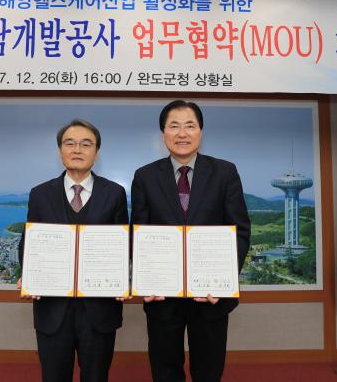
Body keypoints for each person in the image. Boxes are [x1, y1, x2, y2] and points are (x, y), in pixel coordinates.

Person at [130, 100, 251, 382]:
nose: (182, 133)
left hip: (210, 296)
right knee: (164, 370)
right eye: (174, 126)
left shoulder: (225, 172)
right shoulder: (145, 176)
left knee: (208, 371)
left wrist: (224, 281)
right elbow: (139, 232)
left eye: (189, 126)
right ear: (163, 133)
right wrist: (146, 281)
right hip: (162, 297)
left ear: (200, 131)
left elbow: (240, 230)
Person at [18, 119, 129, 382]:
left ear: (96, 152)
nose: (77, 149)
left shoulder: (114, 193)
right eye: (70, 143)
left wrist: (125, 276)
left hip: (99, 311)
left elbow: (122, 244)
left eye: (86, 144)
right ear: (60, 150)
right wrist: (29, 275)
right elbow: (29, 242)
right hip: (52, 309)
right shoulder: (40, 194)